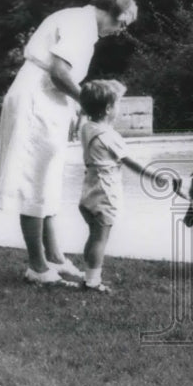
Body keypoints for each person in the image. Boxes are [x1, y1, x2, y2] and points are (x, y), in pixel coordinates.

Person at [0, 0, 138, 285]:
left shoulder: (78, 20)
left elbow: (62, 76)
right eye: (122, 25)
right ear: (115, 14)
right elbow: (59, 73)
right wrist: (88, 104)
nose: (118, 32)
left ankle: (55, 258)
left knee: (47, 181)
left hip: (47, 99)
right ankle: (37, 266)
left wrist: (73, 108)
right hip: (37, 100)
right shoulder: (81, 26)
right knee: (34, 181)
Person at [76, 79, 180, 292]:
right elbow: (131, 162)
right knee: (100, 238)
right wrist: (155, 176)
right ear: (108, 109)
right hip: (104, 192)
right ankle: (92, 282)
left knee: (94, 235)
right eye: (117, 104)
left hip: (89, 191)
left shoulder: (87, 128)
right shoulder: (109, 135)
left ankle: (88, 275)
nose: (119, 108)